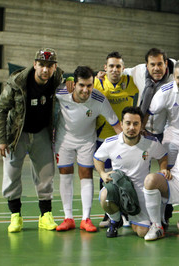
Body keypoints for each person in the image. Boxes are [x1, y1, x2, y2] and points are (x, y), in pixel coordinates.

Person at [0, 48, 63, 232]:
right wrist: (0, 139)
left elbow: (78, 84)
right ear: (34, 64)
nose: (45, 70)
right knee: (11, 174)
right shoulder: (17, 83)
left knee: (46, 174)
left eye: (49, 66)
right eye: (41, 65)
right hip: (16, 134)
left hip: (41, 133)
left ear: (55, 67)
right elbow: (0, 109)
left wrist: (73, 81)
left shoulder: (58, 81)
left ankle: (45, 216)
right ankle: (15, 216)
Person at [54, 66, 121, 232]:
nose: (86, 90)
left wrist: (130, 144)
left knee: (86, 175)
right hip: (64, 139)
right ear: (74, 84)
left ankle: (85, 219)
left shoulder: (99, 99)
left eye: (89, 85)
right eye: (82, 85)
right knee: (65, 174)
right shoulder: (61, 92)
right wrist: (65, 81)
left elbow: (116, 125)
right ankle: (68, 218)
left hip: (86, 141)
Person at [93, 107, 169, 238]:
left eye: (136, 124)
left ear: (141, 125)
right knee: (105, 195)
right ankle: (116, 220)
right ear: (121, 124)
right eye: (128, 123)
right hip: (119, 188)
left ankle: (129, 216)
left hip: (140, 192)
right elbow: (97, 158)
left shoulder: (151, 143)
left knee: (142, 232)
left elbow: (163, 155)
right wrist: (102, 174)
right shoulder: (110, 143)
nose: (131, 127)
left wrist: (163, 168)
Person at [94, 51, 139, 227]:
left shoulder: (130, 82)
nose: (114, 69)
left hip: (125, 137)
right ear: (105, 68)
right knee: (105, 177)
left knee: (126, 174)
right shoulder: (97, 82)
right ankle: (110, 212)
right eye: (111, 66)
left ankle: (128, 211)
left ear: (123, 68)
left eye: (118, 66)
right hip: (102, 137)